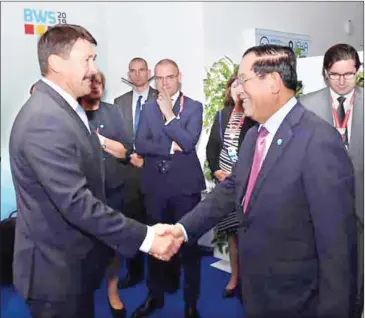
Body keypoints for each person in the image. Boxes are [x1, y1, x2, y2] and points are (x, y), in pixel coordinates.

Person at [166, 44, 357, 318]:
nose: (239, 89)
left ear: (273, 83)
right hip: (258, 290)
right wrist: (182, 229)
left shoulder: (319, 141)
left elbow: (337, 249)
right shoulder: (255, 135)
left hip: (297, 300)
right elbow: (233, 189)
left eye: (244, 80)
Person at [9, 24, 181, 318]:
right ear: (56, 63)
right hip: (55, 273)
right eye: (87, 59)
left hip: (72, 263)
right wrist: (148, 238)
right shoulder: (45, 119)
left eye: (94, 59)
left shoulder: (63, 110)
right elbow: (76, 203)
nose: (94, 69)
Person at [133, 59, 205, 318]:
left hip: (185, 188)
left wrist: (170, 116)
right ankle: (155, 296)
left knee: (189, 247)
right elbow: (140, 143)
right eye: (160, 79)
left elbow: (187, 142)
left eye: (170, 77)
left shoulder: (194, 107)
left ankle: (190, 302)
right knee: (154, 244)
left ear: (179, 76)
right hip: (155, 187)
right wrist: (166, 147)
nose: (164, 83)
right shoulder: (147, 107)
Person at [300, 43, 364, 318]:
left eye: (348, 74)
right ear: (325, 73)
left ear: (358, 72)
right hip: (320, 204)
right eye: (335, 74)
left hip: (360, 202)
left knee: (358, 269)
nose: (341, 81)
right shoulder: (306, 105)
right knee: (323, 271)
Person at [79, 71, 137, 317]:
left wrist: (99, 141)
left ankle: (113, 292)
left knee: (114, 246)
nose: (95, 87)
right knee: (84, 249)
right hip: (82, 192)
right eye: (91, 82)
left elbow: (125, 150)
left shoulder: (113, 112)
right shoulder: (71, 113)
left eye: (99, 83)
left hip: (113, 189)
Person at [206, 74, 256, 298]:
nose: (237, 89)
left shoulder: (255, 115)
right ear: (229, 90)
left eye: (241, 84)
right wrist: (216, 170)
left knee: (250, 236)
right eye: (234, 85)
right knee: (233, 236)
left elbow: (258, 153)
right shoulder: (221, 115)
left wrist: (240, 175)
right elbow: (212, 148)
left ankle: (252, 282)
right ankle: (235, 278)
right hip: (225, 184)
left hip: (248, 184)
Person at [113, 57, 157, 289]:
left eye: (142, 70)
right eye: (133, 71)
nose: (138, 74)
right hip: (128, 173)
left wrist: (146, 158)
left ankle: (159, 275)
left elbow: (165, 135)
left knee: (157, 223)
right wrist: (130, 155)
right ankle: (134, 271)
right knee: (131, 226)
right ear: (129, 74)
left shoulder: (161, 99)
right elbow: (115, 135)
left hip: (155, 173)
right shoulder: (118, 102)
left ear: (148, 72)